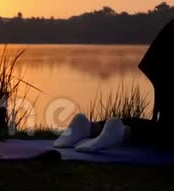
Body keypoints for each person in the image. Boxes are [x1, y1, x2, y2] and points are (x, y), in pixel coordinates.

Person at [54, 17, 174, 152]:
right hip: (165, 60)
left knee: (166, 126)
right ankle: (125, 133)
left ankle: (89, 128)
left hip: (162, 59)